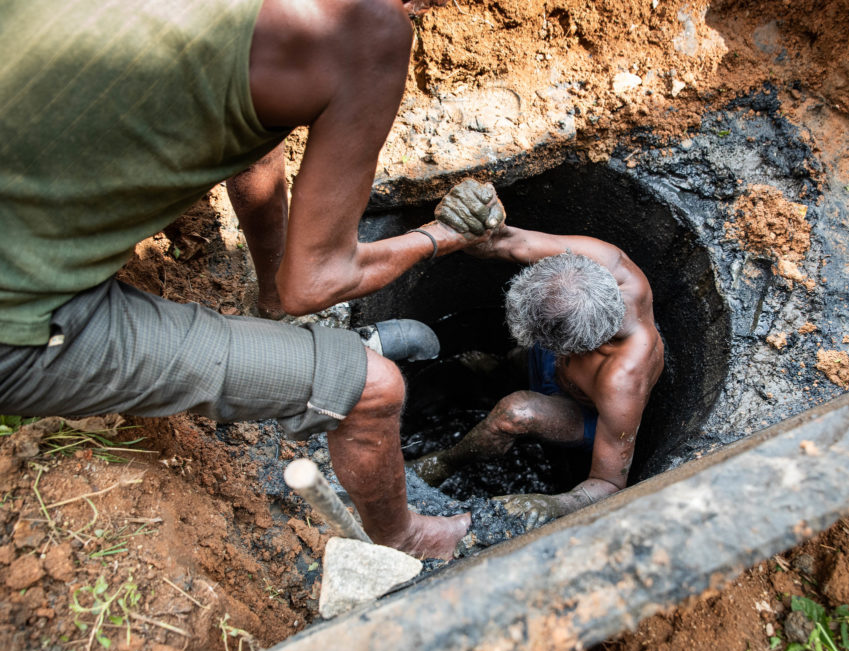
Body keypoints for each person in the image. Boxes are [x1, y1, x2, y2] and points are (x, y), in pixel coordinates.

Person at [0, 0, 499, 560]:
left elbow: (252, 153)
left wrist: (272, 295)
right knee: (374, 387)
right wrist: (441, 236)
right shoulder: (366, 28)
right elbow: (312, 286)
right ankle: (400, 538)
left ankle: (266, 310)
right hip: (21, 321)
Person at [410, 205, 665, 529]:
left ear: (573, 350)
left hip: (582, 408)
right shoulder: (606, 262)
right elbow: (503, 240)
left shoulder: (622, 380)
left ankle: (446, 461)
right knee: (511, 360)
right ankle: (506, 367)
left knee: (514, 412)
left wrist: (553, 504)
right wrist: (470, 212)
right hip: (562, 358)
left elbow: (609, 483)